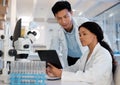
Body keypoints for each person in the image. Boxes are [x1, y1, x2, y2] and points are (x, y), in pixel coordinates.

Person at [46, 21, 117, 85]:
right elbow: (75, 68)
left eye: (84, 34)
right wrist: (57, 72)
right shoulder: (87, 53)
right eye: (79, 35)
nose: (81, 37)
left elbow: (91, 76)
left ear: (94, 36)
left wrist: (61, 74)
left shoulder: (103, 54)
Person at [50, 1, 88, 67]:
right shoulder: (56, 31)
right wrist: (51, 65)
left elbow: (101, 38)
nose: (63, 21)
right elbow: (53, 50)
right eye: (59, 18)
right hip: (70, 60)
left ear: (71, 13)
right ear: (55, 18)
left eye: (65, 17)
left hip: (85, 56)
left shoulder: (83, 22)